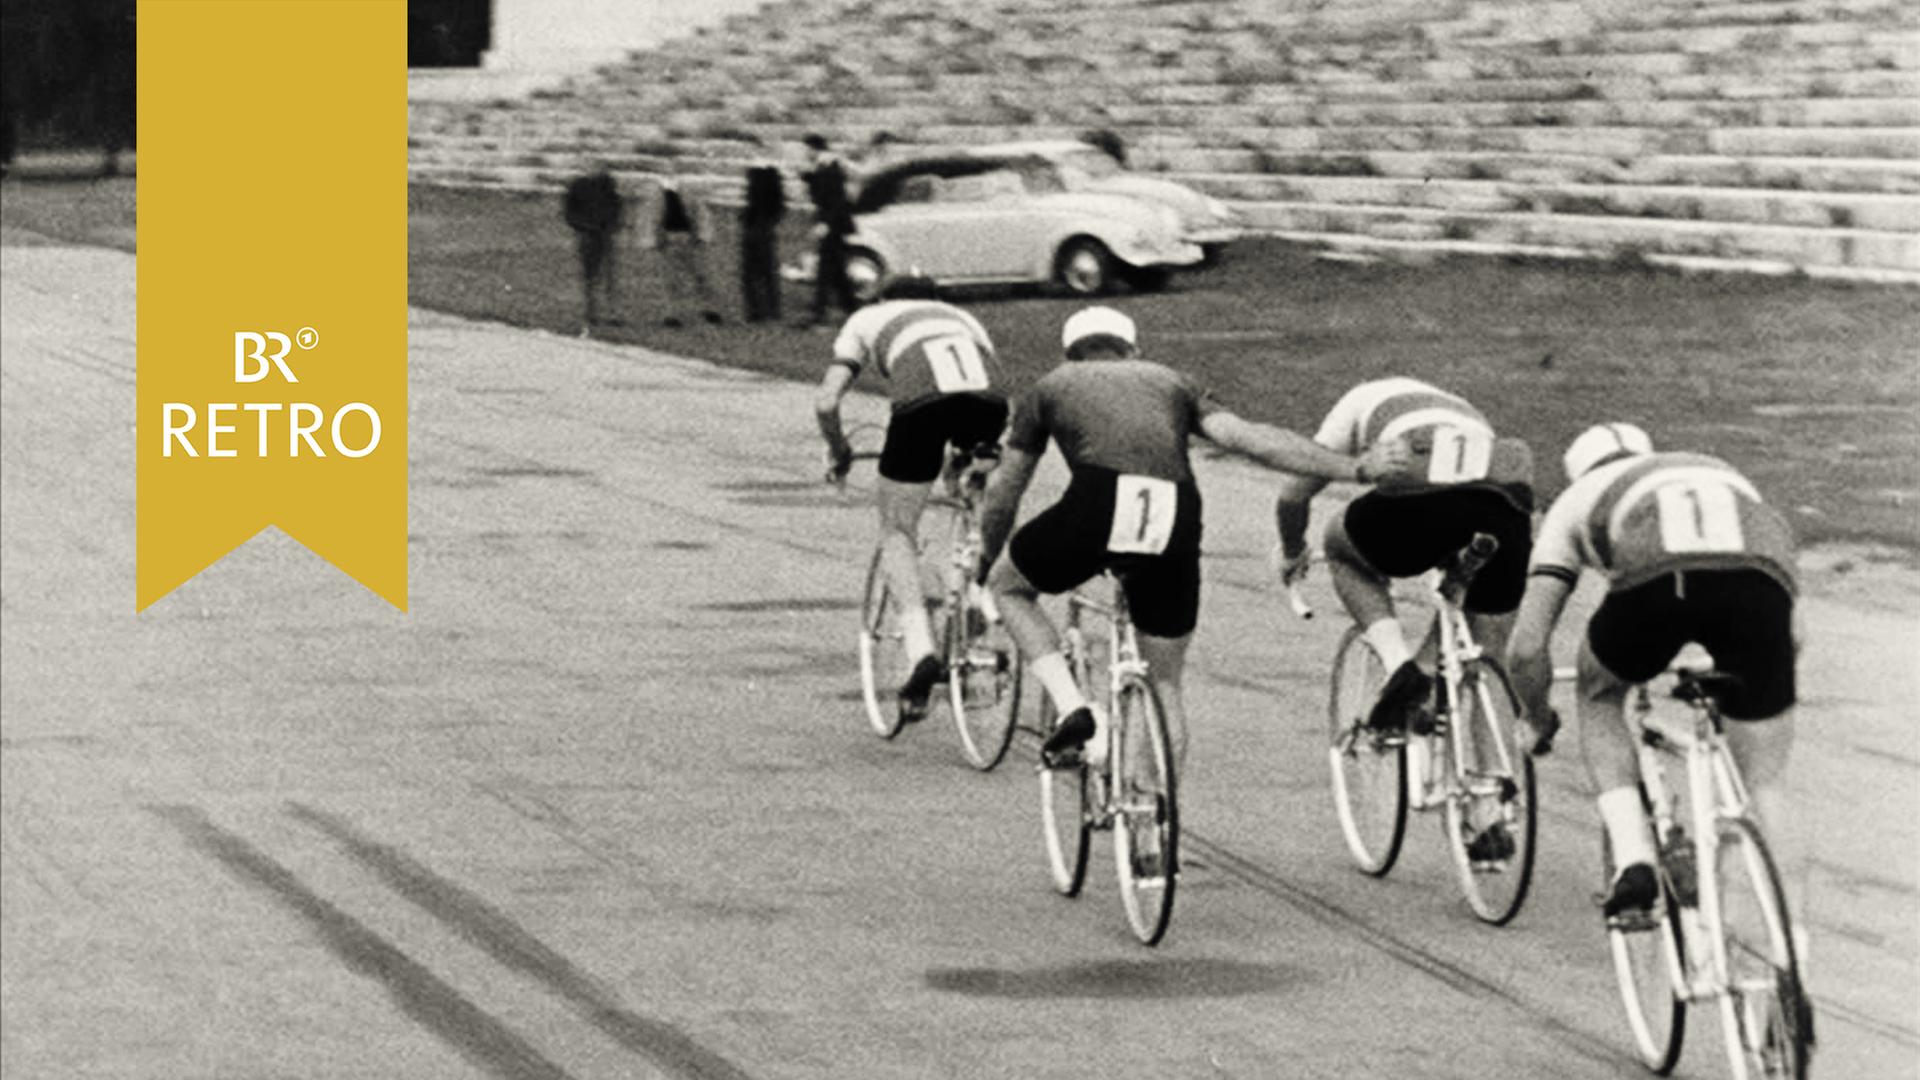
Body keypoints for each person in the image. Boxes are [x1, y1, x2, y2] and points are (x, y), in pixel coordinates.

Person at [978, 308, 1411, 769]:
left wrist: (990, 553)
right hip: (1175, 510)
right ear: (1134, 350)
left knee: (1009, 588)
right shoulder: (1172, 382)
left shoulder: (1051, 385)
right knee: (1164, 681)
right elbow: (1250, 440)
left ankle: (1074, 709)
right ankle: (1153, 804)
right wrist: (1356, 468)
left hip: (1096, 502)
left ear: (1070, 354)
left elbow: (1006, 488)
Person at [1506, 425, 1803, 925]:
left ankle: (1634, 858)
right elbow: (1792, 633)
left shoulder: (1576, 500)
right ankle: (1793, 945)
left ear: (1577, 473)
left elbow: (1526, 648)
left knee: (1599, 695)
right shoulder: (1715, 470)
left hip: (1657, 580)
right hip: (1760, 577)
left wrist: (1535, 717)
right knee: (1766, 782)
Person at [1272, 377, 1537, 744]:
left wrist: (1291, 550)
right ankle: (1494, 771)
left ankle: (1398, 664)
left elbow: (1293, 496)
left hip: (1420, 501)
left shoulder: (1358, 400)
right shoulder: (1465, 412)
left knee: (1339, 544)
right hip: (1507, 512)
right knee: (1486, 648)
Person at [816, 274, 1009, 721]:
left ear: (886, 298)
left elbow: (826, 401)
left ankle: (922, 649)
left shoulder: (867, 317)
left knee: (897, 529)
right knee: (969, 489)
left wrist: (840, 449)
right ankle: (976, 593)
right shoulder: (961, 317)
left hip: (922, 400)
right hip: (990, 400)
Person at [801, 133, 858, 328]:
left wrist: (825, 224)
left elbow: (836, 200)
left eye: (806, 149)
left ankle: (819, 313)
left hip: (833, 225)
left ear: (814, 149)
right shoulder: (823, 167)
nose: (805, 154)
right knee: (836, 270)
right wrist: (807, 177)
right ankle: (851, 308)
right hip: (833, 224)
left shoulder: (831, 168)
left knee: (825, 270)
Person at [562, 163, 625, 335]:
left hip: (602, 234)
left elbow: (616, 206)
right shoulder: (579, 186)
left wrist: (612, 225)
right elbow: (570, 212)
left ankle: (610, 311)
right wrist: (583, 226)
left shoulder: (607, 185)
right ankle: (592, 311)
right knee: (592, 275)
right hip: (588, 234)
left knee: (607, 274)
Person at [653, 177, 722, 327]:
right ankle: (708, 309)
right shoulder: (687, 194)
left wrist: (658, 239)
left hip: (675, 239)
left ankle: (674, 313)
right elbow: (697, 216)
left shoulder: (661, 198)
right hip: (684, 239)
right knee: (697, 276)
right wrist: (699, 236)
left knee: (675, 279)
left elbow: (658, 220)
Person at [740, 155, 786, 322]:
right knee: (767, 271)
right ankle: (772, 309)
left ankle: (755, 311)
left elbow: (753, 202)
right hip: (766, 227)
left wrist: (746, 218)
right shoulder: (774, 177)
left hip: (755, 227)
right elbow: (779, 206)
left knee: (750, 272)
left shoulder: (756, 176)